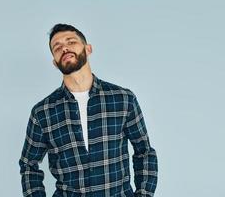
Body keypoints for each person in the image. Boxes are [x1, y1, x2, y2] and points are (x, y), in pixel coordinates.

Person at [19, 23, 158, 197]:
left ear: (88, 49)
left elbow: (144, 152)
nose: (65, 48)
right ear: (55, 62)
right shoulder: (42, 112)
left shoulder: (123, 99)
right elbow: (28, 165)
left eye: (71, 42)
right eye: (57, 47)